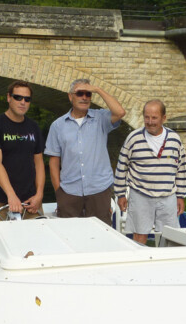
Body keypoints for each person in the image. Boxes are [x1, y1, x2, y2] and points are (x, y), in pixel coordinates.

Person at [44, 78, 125, 225]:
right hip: (69, 192)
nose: (84, 97)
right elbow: (54, 161)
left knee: (101, 238)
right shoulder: (57, 126)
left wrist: (98, 90)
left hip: (99, 190)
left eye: (88, 94)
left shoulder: (101, 118)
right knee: (70, 238)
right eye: (80, 93)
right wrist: (59, 192)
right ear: (70, 96)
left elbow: (120, 112)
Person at [114, 99, 186, 244]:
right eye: (147, 117)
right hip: (140, 194)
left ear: (163, 118)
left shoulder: (174, 139)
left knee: (171, 236)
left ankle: (168, 265)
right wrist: (120, 194)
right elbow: (121, 166)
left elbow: (181, 169)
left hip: (168, 196)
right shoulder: (133, 138)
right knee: (139, 236)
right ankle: (140, 265)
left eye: (154, 117)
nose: (150, 121)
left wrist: (180, 196)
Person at [0, 80, 45, 223]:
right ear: (9, 97)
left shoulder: (34, 127)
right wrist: (11, 195)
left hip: (30, 202)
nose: (23, 102)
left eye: (27, 99)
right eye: (18, 97)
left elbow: (39, 163)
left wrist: (39, 194)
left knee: (37, 243)